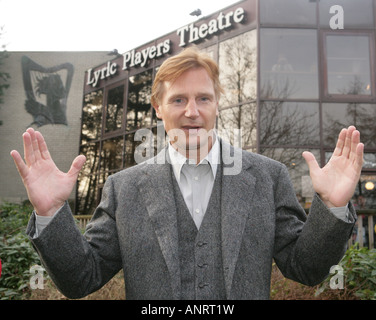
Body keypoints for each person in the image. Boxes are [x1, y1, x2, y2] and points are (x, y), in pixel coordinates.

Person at [10, 47, 364, 300]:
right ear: (158, 107)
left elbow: (305, 269)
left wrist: (331, 206)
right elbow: (81, 280)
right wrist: (51, 212)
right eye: (178, 99)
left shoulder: (268, 177)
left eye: (203, 99)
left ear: (216, 104)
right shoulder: (124, 188)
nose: (192, 111)